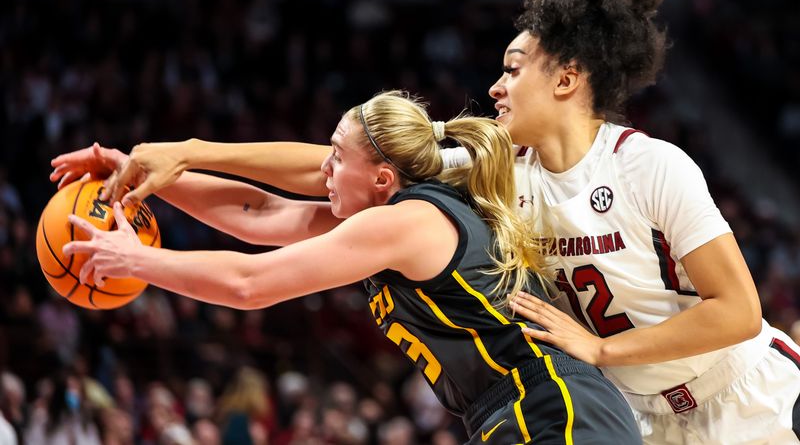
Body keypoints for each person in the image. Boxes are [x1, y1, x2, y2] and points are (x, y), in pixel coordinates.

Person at [52, 0, 800, 445]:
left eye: (514, 68)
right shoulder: (497, 170)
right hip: (638, 411)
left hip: (744, 391)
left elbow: (738, 310)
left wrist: (606, 354)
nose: (494, 85)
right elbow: (333, 167)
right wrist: (185, 154)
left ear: (567, 79)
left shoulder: (652, 166)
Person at [58, 92, 641, 444]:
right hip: (514, 410)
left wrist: (139, 260)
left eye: (336, 157)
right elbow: (258, 211)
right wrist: (144, 177)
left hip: (557, 408)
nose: (324, 171)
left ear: (383, 179)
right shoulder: (382, 223)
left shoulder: (407, 221)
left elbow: (249, 283)